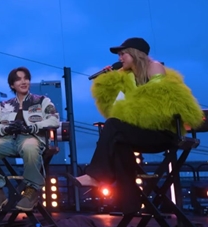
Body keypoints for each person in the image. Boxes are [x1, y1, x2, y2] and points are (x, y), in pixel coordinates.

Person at [74, 37, 204, 213]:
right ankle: (130, 204)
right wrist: (108, 82)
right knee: (118, 142)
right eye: (119, 55)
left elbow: (156, 103)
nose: (120, 58)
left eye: (123, 54)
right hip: (142, 132)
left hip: (162, 132)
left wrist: (128, 110)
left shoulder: (154, 67)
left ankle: (96, 176)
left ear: (136, 54)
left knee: (113, 127)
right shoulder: (127, 77)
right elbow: (116, 110)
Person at [0, 67, 59, 212]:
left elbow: (54, 120)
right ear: (12, 85)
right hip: (8, 140)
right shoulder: (4, 105)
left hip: (32, 138)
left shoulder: (42, 101)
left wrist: (32, 127)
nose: (24, 81)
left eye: (26, 78)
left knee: (29, 147)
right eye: (19, 79)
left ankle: (32, 190)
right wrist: (5, 129)